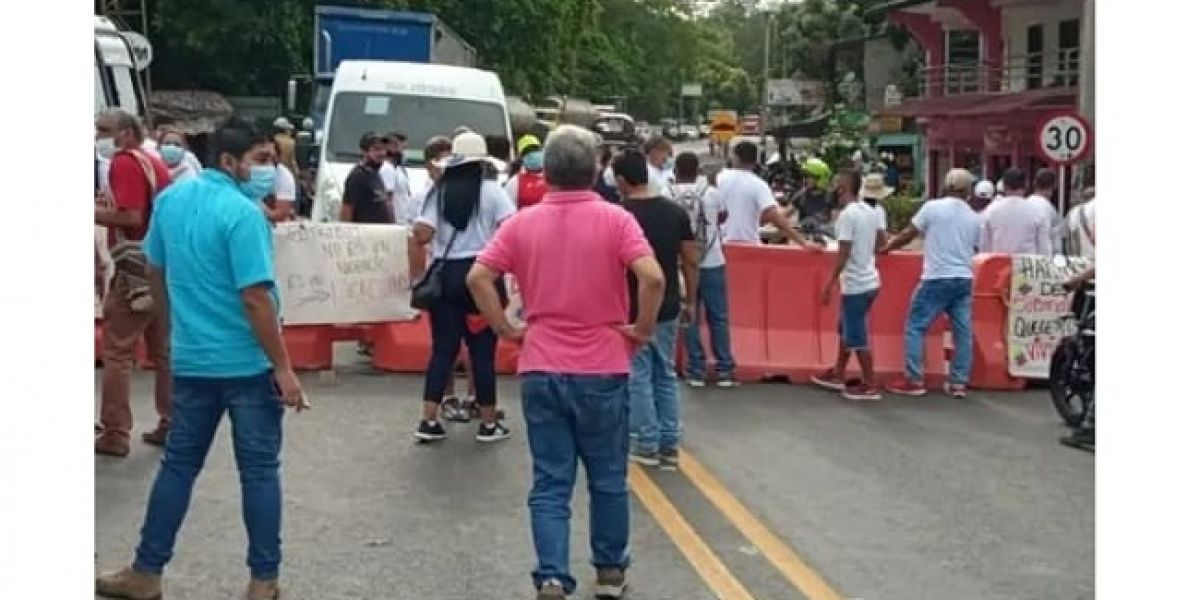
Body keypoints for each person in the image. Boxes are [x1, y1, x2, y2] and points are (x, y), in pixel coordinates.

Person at [95, 119, 306, 600]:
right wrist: (283, 367)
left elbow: (155, 269)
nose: (269, 170)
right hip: (248, 365)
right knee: (257, 472)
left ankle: (147, 570)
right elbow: (255, 297)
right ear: (230, 162)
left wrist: (170, 334)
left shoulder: (171, 201)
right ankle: (263, 581)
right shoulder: (244, 214)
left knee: (178, 466)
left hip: (193, 362)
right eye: (261, 160)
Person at [465, 124, 665, 600]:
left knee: (551, 482)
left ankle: (552, 575)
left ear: (547, 171)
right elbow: (653, 278)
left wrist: (506, 328)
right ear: (596, 169)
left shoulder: (521, 223)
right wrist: (642, 328)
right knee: (608, 478)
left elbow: (478, 277)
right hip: (603, 365)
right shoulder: (616, 220)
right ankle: (610, 573)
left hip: (541, 363)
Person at [408, 132, 515, 443]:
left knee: (443, 349)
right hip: (481, 274)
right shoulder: (493, 192)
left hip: (445, 276)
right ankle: (488, 423)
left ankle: (428, 419)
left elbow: (422, 234)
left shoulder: (438, 191)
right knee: (482, 350)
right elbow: (510, 228)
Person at [612, 150, 699, 468]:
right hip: (669, 303)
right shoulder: (676, 213)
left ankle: (645, 440)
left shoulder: (619, 215)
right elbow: (690, 259)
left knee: (637, 373)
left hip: (632, 306)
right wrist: (691, 298)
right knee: (666, 373)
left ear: (622, 181)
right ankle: (669, 441)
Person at [93, 108, 173, 456]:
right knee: (164, 351)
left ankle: (115, 432)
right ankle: (173, 422)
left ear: (125, 133)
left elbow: (131, 215)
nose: (98, 136)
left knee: (118, 351)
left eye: (103, 130)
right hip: (160, 264)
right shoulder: (151, 162)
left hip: (132, 268)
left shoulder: (124, 162)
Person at [881, 168, 981, 398]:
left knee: (916, 325)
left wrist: (888, 247)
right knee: (962, 331)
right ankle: (958, 382)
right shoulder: (974, 217)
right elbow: (975, 248)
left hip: (937, 276)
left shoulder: (932, 208)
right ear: (968, 191)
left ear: (946, 185)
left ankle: (914, 379)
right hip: (964, 278)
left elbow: (909, 233)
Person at [811, 171, 887, 400]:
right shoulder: (871, 212)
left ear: (843, 188)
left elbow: (843, 253)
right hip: (871, 279)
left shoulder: (847, 216)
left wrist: (830, 283)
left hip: (855, 284)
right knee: (846, 328)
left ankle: (870, 383)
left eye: (836, 184)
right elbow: (881, 243)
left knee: (856, 335)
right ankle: (838, 373)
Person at [665, 152, 736, 388]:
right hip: (712, 260)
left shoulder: (668, 194)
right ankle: (724, 369)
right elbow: (723, 216)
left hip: (681, 264)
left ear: (676, 170)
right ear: (698, 171)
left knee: (689, 315)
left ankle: (696, 368)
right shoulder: (712, 193)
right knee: (718, 316)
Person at [719, 141, 806, 246]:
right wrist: (804, 243)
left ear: (734, 157)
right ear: (755, 161)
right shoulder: (758, 185)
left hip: (718, 246)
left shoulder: (717, 179)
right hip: (749, 246)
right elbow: (774, 217)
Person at [979, 168, 1050, 256]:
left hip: (999, 266)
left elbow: (984, 248)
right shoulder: (1037, 212)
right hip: (1026, 266)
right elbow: (1044, 249)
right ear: (1026, 186)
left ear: (1004, 186)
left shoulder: (991, 211)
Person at [340, 132, 394, 224]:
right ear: (364, 152)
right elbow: (347, 209)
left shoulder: (375, 173)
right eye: (377, 149)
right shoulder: (358, 176)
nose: (382, 153)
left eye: (384, 149)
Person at [379, 132, 413, 225]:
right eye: (402, 148)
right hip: (395, 224)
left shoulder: (399, 169)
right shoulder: (386, 168)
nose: (404, 152)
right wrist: (391, 224)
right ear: (391, 148)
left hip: (404, 222)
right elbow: (387, 199)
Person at [261, 138, 297, 223]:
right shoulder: (243, 172)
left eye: (272, 158)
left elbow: (280, 215)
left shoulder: (285, 177)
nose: (268, 162)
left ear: (278, 158)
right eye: (263, 158)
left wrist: (257, 205)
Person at [1029, 168, 1064, 253]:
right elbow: (1055, 243)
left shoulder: (1026, 203)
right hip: (1042, 259)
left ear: (1034, 183)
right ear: (1054, 186)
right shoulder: (1049, 209)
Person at [505, 141, 548, 209]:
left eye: (535, 149)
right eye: (527, 152)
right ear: (521, 157)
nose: (532, 154)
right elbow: (507, 211)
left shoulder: (554, 178)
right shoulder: (515, 182)